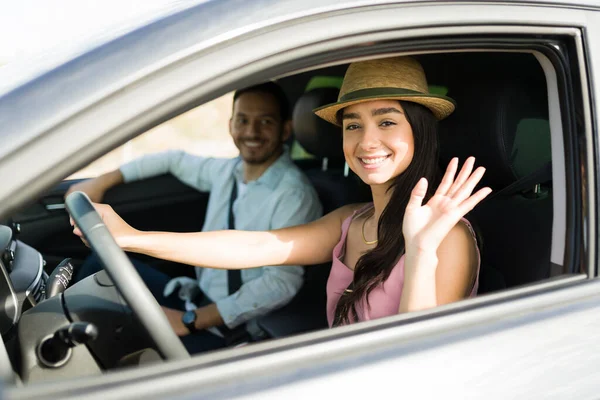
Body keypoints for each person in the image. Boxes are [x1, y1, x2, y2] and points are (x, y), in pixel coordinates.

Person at [72, 56, 491, 329]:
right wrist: (133, 239)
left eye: (386, 122)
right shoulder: (353, 219)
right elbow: (257, 247)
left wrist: (419, 251)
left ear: (419, 131)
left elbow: (419, 362)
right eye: (352, 125)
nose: (366, 142)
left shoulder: (446, 237)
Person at [68, 82, 323, 352]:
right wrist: (103, 182)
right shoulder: (227, 171)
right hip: (195, 297)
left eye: (265, 122)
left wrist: (189, 320)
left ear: (285, 130)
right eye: (243, 120)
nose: (251, 131)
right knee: (99, 266)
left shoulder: (294, 195)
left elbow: (281, 283)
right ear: (230, 126)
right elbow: (173, 159)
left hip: (229, 332)